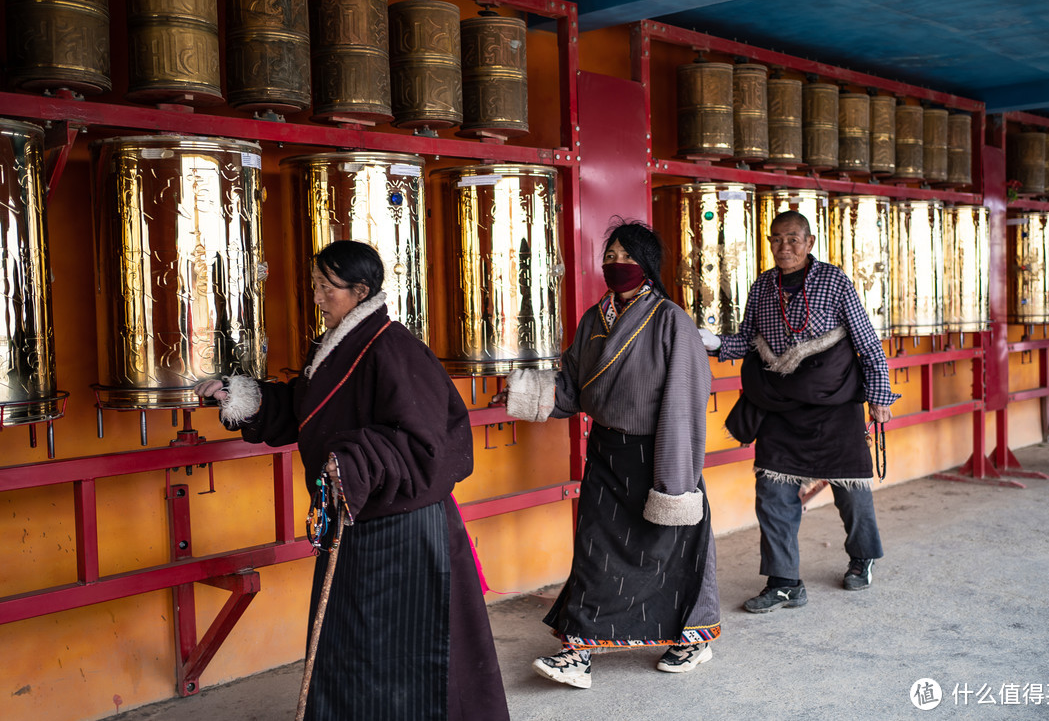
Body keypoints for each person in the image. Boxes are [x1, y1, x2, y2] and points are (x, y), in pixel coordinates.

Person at [194, 240, 509, 721]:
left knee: (405, 644)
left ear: (361, 291)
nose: (317, 296)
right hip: (355, 518)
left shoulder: (394, 347)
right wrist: (244, 398)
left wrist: (358, 462)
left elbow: (431, 445)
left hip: (403, 527)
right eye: (315, 284)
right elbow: (308, 410)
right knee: (352, 637)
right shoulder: (336, 344)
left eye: (328, 287)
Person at [493, 220, 721, 689]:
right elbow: (572, 389)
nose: (616, 264)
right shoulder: (595, 319)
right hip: (606, 452)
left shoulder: (670, 321)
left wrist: (675, 481)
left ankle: (693, 638)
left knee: (671, 550)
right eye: (610, 255)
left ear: (648, 265)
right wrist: (522, 393)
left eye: (626, 256)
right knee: (595, 551)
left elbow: (684, 403)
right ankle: (577, 652)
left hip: (659, 454)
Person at [698, 210, 898, 614]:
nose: (784, 246)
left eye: (793, 239)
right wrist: (714, 342)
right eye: (776, 239)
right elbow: (747, 341)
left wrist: (879, 395)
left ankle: (863, 556)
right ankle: (785, 582)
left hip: (835, 406)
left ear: (809, 243)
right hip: (780, 405)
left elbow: (868, 344)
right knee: (772, 495)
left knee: (852, 493)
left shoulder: (834, 281)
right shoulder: (762, 286)